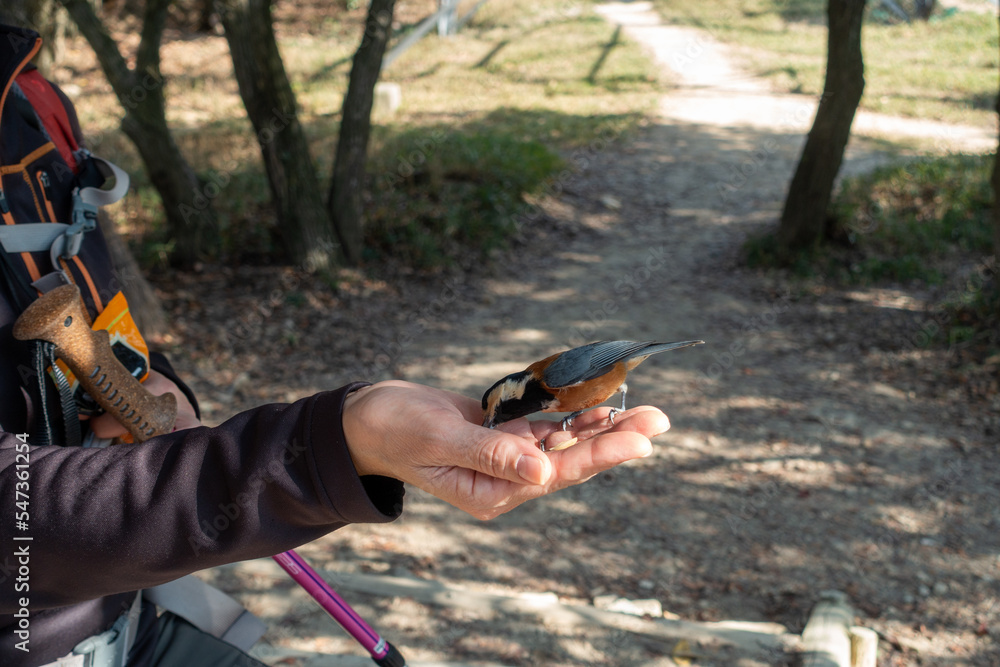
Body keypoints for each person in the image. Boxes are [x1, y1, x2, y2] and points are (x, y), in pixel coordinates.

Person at [0, 19, 670, 667]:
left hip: (128, 619)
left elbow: (98, 309)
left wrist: (161, 380)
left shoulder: (29, 95)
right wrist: (336, 447)